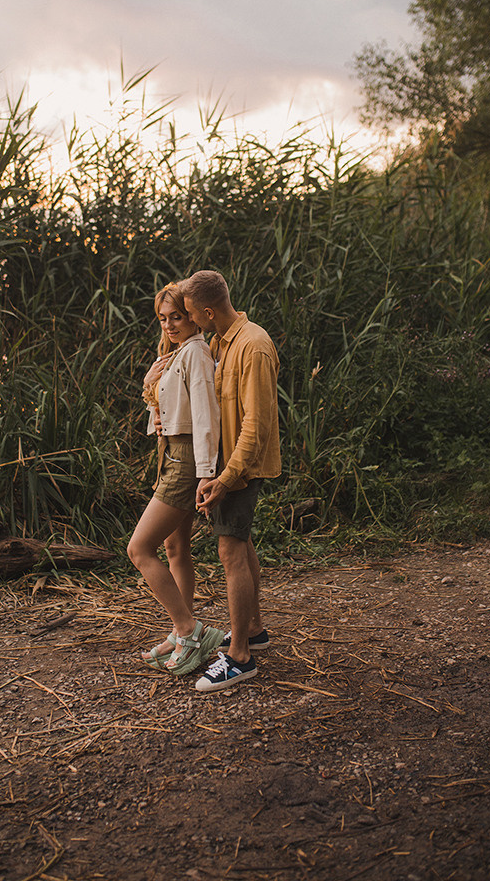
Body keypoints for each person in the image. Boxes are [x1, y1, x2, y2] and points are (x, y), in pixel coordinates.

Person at [179, 271, 281, 692]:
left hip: (241, 467)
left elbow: (256, 425)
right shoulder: (222, 341)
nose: (187, 321)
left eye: (189, 315)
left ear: (207, 311)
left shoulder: (253, 346)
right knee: (241, 542)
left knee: (230, 552)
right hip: (228, 464)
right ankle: (254, 629)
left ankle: (240, 656)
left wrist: (226, 477)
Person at [127, 282, 224, 675]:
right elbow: (164, 415)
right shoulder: (177, 353)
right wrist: (150, 381)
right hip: (171, 454)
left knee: (139, 549)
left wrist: (205, 473)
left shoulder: (196, 352)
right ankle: (180, 633)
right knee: (174, 549)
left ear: (191, 316)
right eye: (163, 319)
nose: (169, 325)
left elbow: (204, 416)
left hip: (186, 460)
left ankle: (190, 628)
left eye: (177, 317)